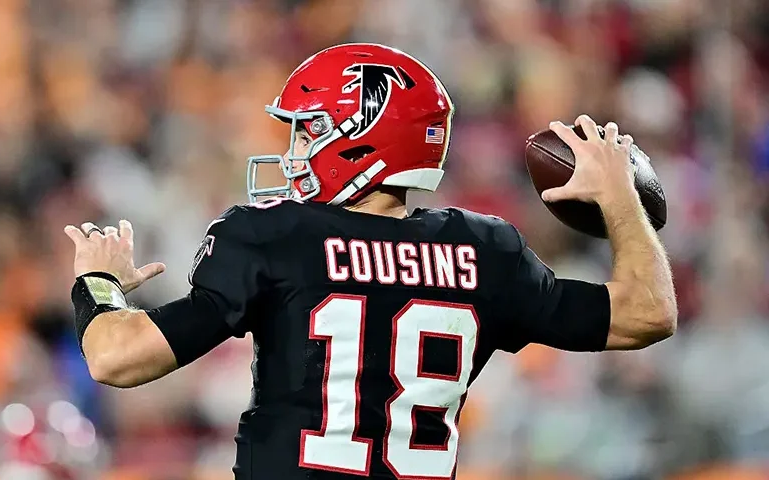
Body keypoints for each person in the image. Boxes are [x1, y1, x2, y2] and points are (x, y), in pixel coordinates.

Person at [65, 43, 676, 479]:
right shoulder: (485, 251)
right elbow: (648, 312)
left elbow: (118, 358)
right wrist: (623, 202)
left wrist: (99, 280)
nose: (295, 149)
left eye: (308, 130)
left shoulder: (274, 237)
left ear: (360, 133)